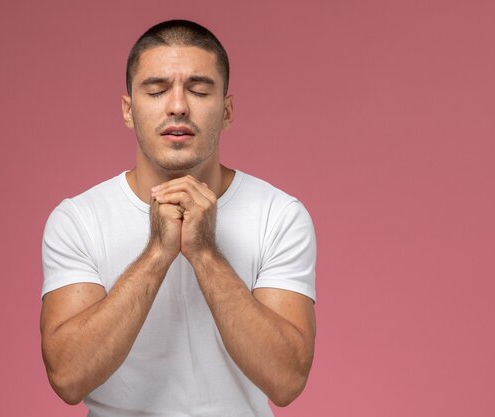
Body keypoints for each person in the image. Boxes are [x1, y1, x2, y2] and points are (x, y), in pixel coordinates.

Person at [40, 19, 317, 417]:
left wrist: (205, 253)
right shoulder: (78, 219)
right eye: (156, 90)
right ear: (128, 110)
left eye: (199, 90)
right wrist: (157, 253)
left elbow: (287, 381)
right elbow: (67, 378)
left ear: (226, 110)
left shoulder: (280, 215)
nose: (177, 106)